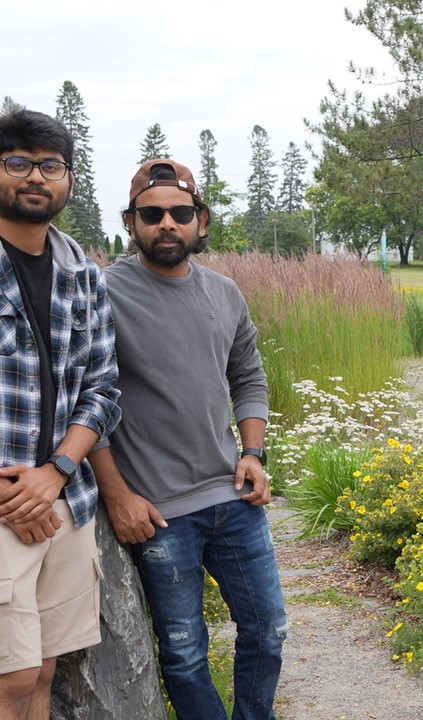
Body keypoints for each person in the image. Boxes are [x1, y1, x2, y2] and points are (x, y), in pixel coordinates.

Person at [88, 158, 287, 720]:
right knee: (183, 651)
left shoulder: (225, 294)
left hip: (234, 496)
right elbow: (86, 398)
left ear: (201, 220)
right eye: (152, 214)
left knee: (268, 627)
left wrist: (253, 452)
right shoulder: (102, 294)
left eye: (180, 213)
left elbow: (247, 375)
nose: (167, 224)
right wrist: (118, 496)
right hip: (159, 512)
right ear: (131, 223)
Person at [0, 109, 121, 720]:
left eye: (49, 165)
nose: (34, 177)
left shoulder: (84, 273)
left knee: (44, 668)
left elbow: (102, 388)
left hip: (64, 499)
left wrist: (57, 470)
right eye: (16, 162)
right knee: (10, 676)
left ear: (68, 180)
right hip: (4, 503)